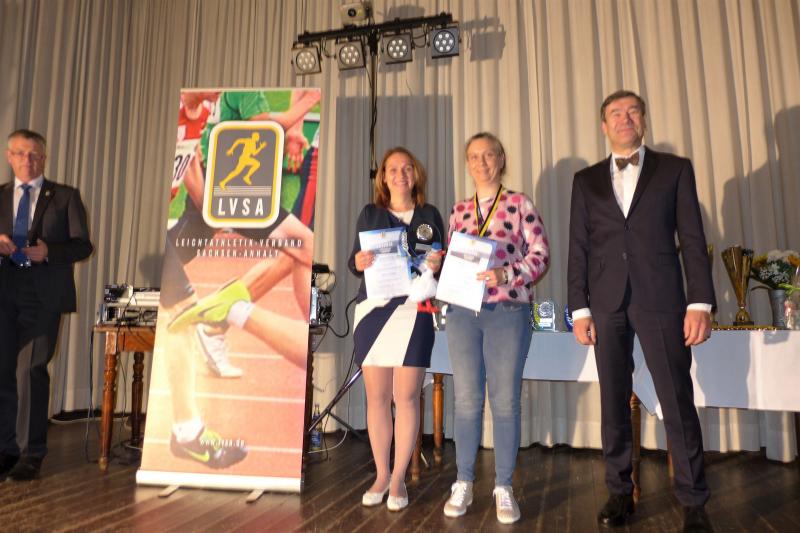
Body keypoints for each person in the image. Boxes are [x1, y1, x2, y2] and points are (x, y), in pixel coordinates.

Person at [567, 90, 715, 532]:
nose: (624, 118)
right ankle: (619, 492)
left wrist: (700, 302)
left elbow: (692, 239)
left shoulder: (675, 170)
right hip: (605, 302)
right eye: (615, 113)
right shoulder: (585, 181)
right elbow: (578, 247)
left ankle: (694, 501)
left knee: (676, 399)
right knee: (613, 401)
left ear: (643, 120)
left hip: (661, 298)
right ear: (604, 125)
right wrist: (579, 308)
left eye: (632, 111)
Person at [159, 90, 318, 468]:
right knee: (182, 313)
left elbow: (192, 169)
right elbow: (269, 123)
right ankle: (188, 433)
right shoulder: (173, 107)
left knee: (304, 246)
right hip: (159, 232)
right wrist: (307, 101)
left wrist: (217, 208)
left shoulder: (201, 111)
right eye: (212, 89)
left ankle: (244, 318)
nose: (217, 93)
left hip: (219, 200)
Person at [443, 132, 549, 524]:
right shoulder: (458, 210)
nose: (482, 162)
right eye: (474, 156)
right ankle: (464, 481)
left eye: (488, 155)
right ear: (467, 163)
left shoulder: (520, 204)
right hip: (462, 314)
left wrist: (508, 273)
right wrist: (440, 264)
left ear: (501, 159)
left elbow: (541, 254)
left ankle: (504, 485)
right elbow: (453, 260)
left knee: (504, 402)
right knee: (466, 400)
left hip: (507, 312)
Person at [348, 147, 445, 511]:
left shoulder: (430, 215)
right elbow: (355, 261)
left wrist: (437, 263)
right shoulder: (370, 214)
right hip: (373, 311)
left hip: (414, 311)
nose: (400, 174)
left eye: (407, 168)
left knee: (405, 397)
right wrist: (358, 261)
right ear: (383, 178)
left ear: (415, 174)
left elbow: (440, 263)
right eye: (393, 169)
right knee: (376, 398)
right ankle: (381, 474)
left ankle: (399, 478)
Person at [0, 129, 93, 480]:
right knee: (4, 371)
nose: (28, 160)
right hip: (4, 291)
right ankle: (6, 450)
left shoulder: (65, 197)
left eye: (34, 154)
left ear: (44, 158)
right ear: (9, 157)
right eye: (20, 153)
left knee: (30, 370)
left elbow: (83, 245)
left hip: (43, 295)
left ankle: (31, 453)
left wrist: (50, 251)